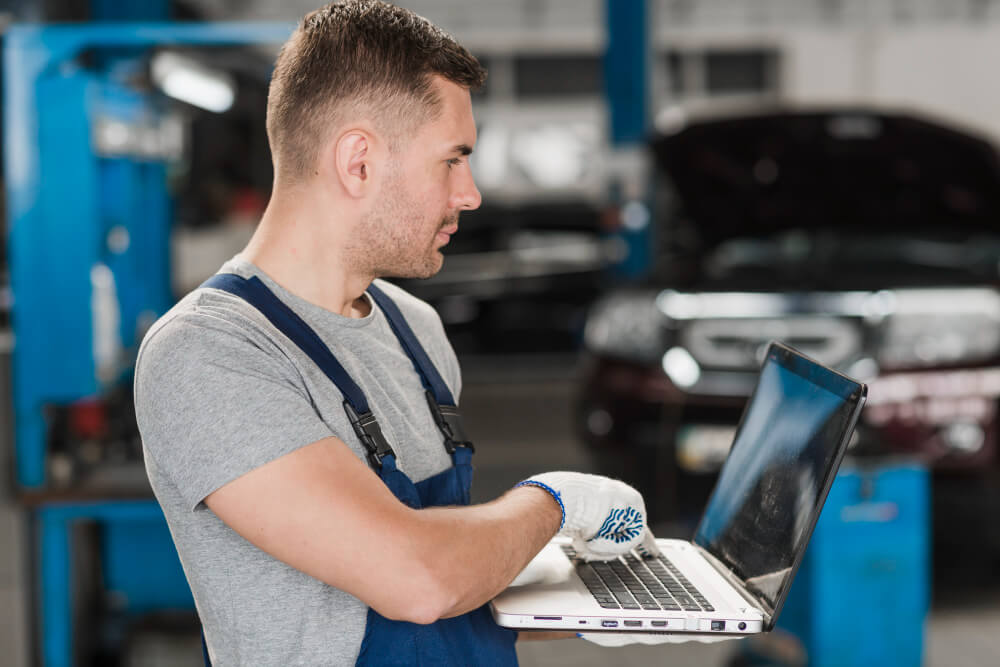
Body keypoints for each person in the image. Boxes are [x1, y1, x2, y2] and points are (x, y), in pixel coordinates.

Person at [134, 2, 653, 664]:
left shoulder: (417, 329)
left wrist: (599, 603)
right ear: (358, 161)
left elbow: (455, 581)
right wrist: (557, 500)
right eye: (452, 160)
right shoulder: (209, 354)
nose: (471, 194)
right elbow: (417, 578)